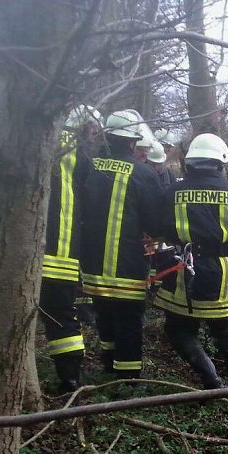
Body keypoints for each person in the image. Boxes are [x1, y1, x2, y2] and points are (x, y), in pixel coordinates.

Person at [152, 133, 228, 389]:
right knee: (227, 334)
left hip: (182, 271)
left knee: (178, 330)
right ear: (221, 164)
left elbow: (154, 227)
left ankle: (211, 381)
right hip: (222, 273)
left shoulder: (172, 192)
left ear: (190, 163)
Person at [81, 109, 163, 379]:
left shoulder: (89, 165)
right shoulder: (143, 173)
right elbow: (155, 223)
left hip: (92, 264)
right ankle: (127, 381)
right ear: (131, 142)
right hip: (127, 266)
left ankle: (107, 366)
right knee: (129, 321)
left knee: (103, 314)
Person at [39, 104, 101, 392]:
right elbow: (91, 201)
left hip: (25, 250)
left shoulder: (39, 136)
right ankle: (70, 378)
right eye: (93, 131)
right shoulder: (81, 153)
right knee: (61, 313)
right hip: (62, 251)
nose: (95, 136)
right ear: (83, 127)